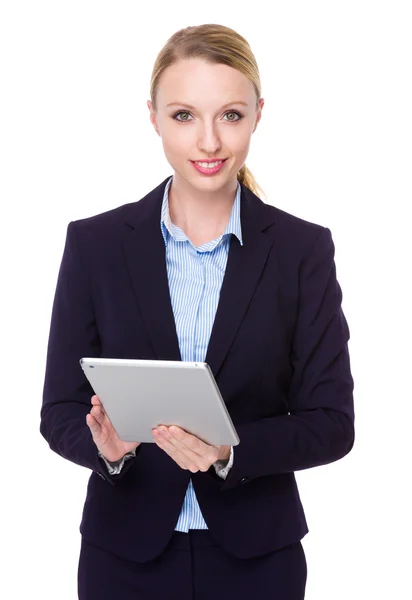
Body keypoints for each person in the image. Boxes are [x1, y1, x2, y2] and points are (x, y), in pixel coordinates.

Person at [40, 23, 355, 600]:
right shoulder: (97, 245)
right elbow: (59, 408)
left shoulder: (302, 252)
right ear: (154, 117)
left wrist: (229, 450)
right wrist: (105, 450)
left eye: (229, 115)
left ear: (258, 114)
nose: (208, 142)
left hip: (257, 560)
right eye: (184, 115)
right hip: (123, 559)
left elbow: (332, 424)